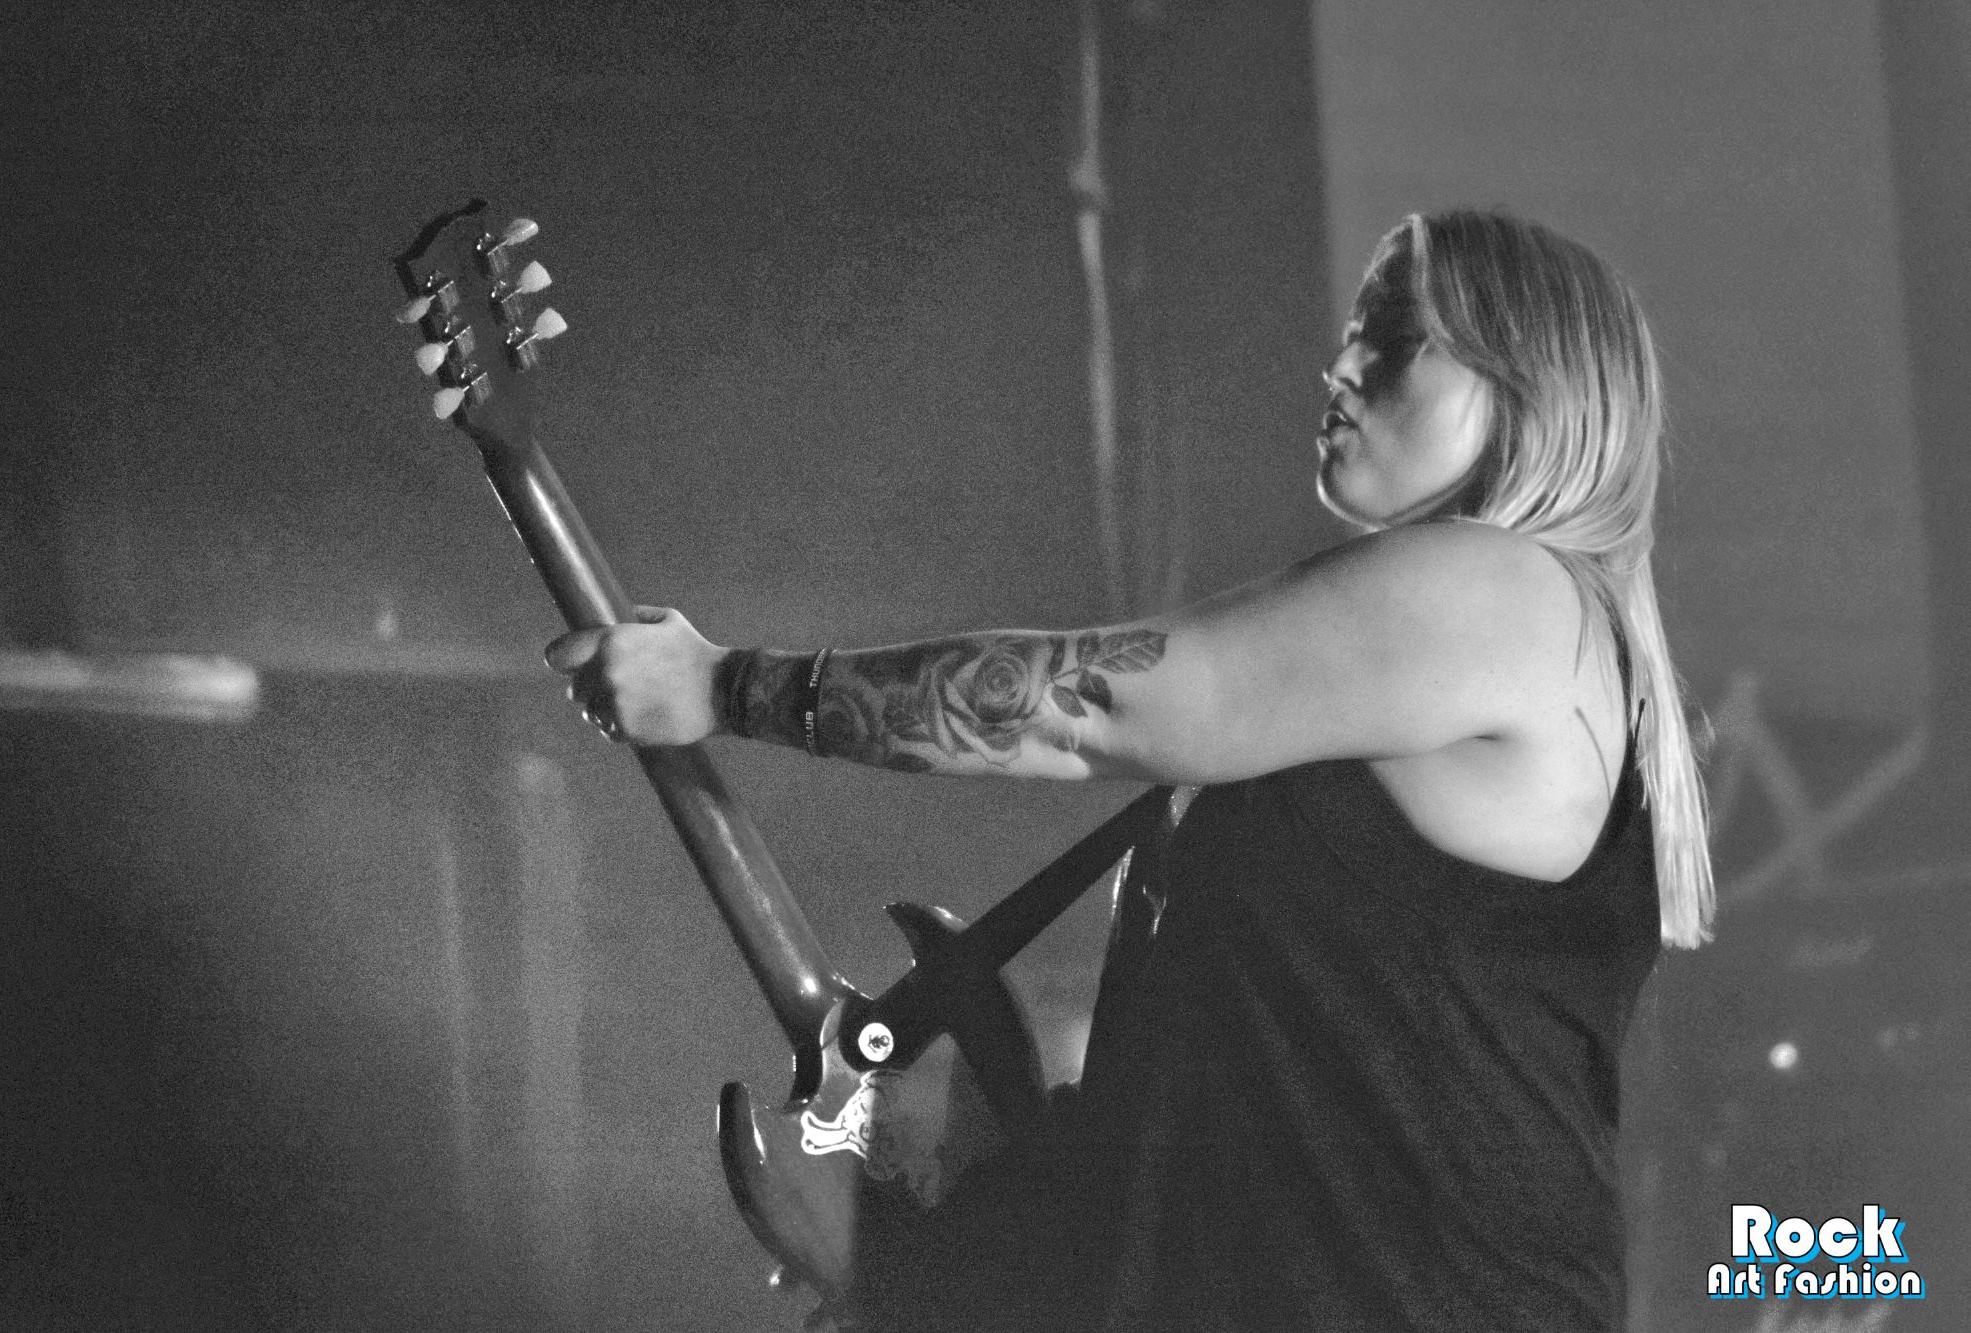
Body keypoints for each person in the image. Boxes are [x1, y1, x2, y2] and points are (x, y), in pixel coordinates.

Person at [547, 209, 1713, 1332]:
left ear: (1530, 390)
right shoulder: (1456, 660)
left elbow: (1088, 707)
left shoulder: (1507, 591)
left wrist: (729, 687)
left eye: (1400, 339)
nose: (1343, 366)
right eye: (1355, 330)